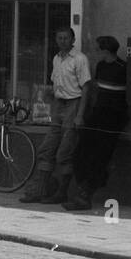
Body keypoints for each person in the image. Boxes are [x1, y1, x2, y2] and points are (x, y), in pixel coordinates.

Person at [19, 26, 90, 204]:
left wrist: (79, 115)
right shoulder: (56, 59)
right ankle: (39, 190)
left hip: (73, 104)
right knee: (47, 148)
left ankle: (62, 192)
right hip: (59, 105)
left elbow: (86, 88)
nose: (62, 41)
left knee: (64, 151)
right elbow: (55, 84)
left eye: (66, 38)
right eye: (59, 38)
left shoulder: (80, 59)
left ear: (73, 40)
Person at [64, 36, 128, 211]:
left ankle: (85, 195)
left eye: (98, 49)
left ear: (105, 51)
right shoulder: (100, 66)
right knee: (81, 152)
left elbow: (130, 97)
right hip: (97, 114)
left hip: (113, 118)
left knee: (100, 157)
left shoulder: (123, 68)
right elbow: (97, 91)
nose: (95, 52)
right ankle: (82, 189)